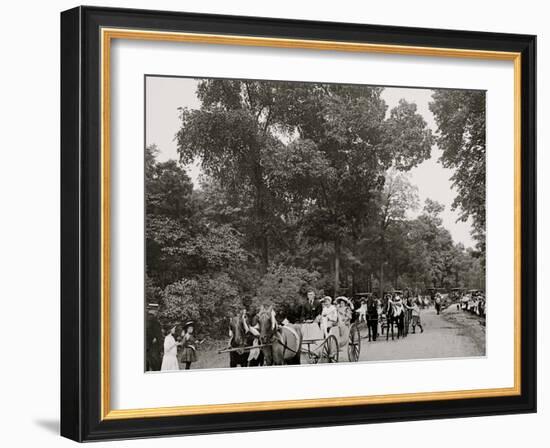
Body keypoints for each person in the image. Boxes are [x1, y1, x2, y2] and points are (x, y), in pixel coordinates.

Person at [145, 303, 162, 371]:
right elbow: (148, 328)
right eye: (156, 311)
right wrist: (153, 337)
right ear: (153, 310)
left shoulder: (146, 318)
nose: (157, 312)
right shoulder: (152, 318)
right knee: (156, 366)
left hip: (148, 346)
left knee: (147, 364)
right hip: (153, 346)